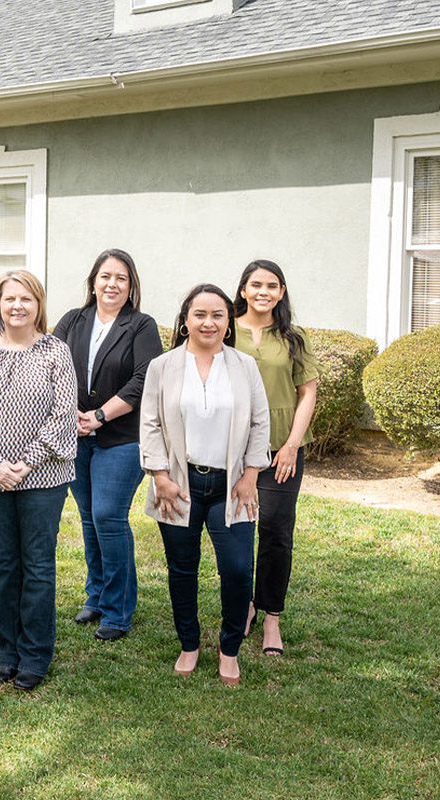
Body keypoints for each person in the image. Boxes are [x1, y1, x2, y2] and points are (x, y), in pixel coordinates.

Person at [139, 284, 269, 686]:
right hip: (179, 484)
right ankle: (189, 643)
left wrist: (250, 476)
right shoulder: (163, 367)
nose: (208, 322)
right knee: (182, 568)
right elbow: (150, 424)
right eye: (200, 314)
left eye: (217, 315)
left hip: (232, 487)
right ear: (185, 320)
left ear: (228, 323)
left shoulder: (245, 366)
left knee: (236, 568)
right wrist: (160, 476)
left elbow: (260, 423)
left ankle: (229, 649)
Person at [0, 270, 77, 691]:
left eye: (26, 299)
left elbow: (63, 413)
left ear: (38, 304)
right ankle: (7, 654)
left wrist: (24, 463)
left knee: (39, 566)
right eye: (9, 299)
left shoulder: (55, 352)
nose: (17, 306)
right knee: (6, 567)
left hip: (43, 476)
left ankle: (36, 654)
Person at [53, 248, 162, 641]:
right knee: (88, 517)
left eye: (121, 278)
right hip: (75, 437)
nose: (112, 284)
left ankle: (117, 610)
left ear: (131, 286)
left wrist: (99, 416)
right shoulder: (72, 320)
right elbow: (52, 369)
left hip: (121, 438)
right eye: (106, 276)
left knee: (108, 517)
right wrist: (74, 418)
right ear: (93, 282)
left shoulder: (141, 326)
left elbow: (145, 377)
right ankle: (96, 595)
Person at [233, 260, 319, 657]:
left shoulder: (293, 338)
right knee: (236, 531)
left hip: (280, 449)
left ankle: (270, 618)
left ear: (281, 292)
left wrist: (291, 446)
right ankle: (242, 606)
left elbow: (308, 393)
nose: (263, 292)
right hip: (232, 448)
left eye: (272, 285)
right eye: (256, 285)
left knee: (276, 531)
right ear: (244, 290)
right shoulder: (225, 328)